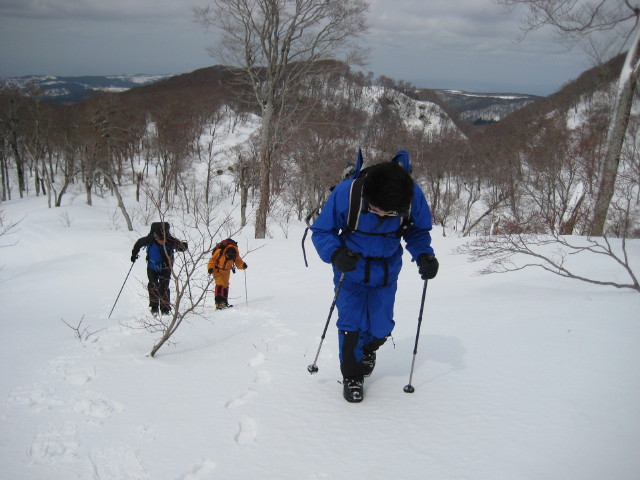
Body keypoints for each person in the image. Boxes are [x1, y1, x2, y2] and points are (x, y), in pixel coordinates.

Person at [310, 153, 439, 403]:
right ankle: (352, 376)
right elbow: (322, 231)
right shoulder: (347, 193)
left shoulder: (412, 196)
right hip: (350, 270)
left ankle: (369, 349)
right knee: (350, 325)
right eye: (375, 209)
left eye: (388, 213)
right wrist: (335, 253)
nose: (380, 216)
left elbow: (418, 232)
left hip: (386, 272)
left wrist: (424, 255)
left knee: (381, 327)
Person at [131, 223, 188, 316]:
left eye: (164, 240)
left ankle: (165, 308)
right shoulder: (150, 239)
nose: (162, 242)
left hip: (166, 267)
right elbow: (138, 243)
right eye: (160, 240)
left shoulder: (170, 240)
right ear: (156, 237)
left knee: (164, 286)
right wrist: (134, 254)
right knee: (153, 285)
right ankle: (154, 307)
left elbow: (181, 247)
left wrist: (184, 246)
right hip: (152, 266)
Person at [207, 241, 247, 309]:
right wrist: (210, 268)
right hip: (217, 269)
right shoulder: (220, 251)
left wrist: (243, 266)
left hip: (226, 270)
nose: (229, 259)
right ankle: (218, 303)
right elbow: (212, 260)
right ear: (226, 253)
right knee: (220, 283)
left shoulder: (235, 254)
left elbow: (239, 262)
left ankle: (224, 302)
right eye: (228, 257)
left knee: (225, 285)